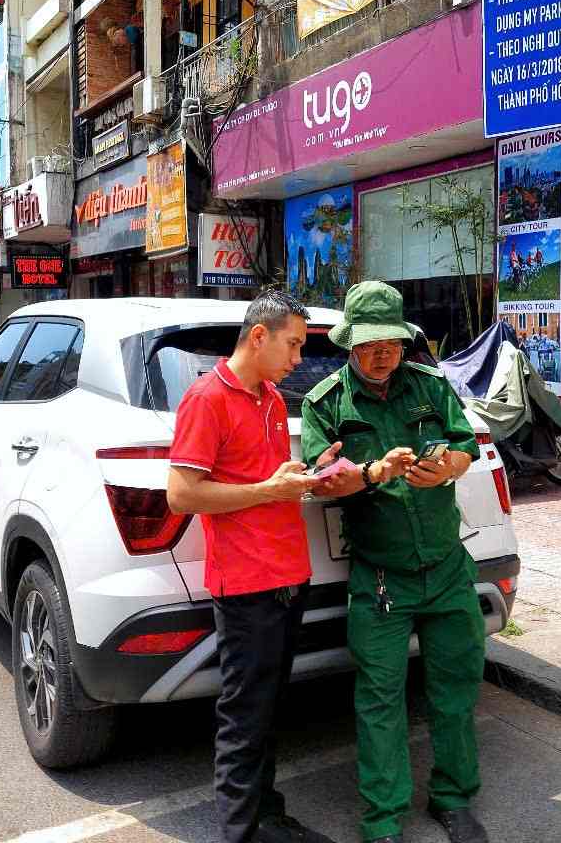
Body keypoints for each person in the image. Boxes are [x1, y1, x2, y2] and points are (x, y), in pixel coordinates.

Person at [301, 281, 489, 843]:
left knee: (455, 688)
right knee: (380, 699)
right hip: (381, 579)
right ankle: (383, 820)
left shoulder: (430, 386)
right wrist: (371, 472)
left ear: (404, 341)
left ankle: (454, 797)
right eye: (369, 344)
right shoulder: (326, 403)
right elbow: (320, 480)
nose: (381, 353)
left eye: (391, 342)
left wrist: (450, 466)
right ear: (349, 345)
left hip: (448, 568)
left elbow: (466, 442)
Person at [165, 290, 341, 843]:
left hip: (289, 574)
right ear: (258, 336)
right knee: (244, 719)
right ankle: (242, 832)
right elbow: (182, 495)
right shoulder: (206, 398)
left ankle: (269, 815)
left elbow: (262, 481)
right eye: (292, 345)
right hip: (245, 584)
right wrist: (271, 488)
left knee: (269, 710)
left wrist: (308, 475)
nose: (297, 360)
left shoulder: (269, 396)